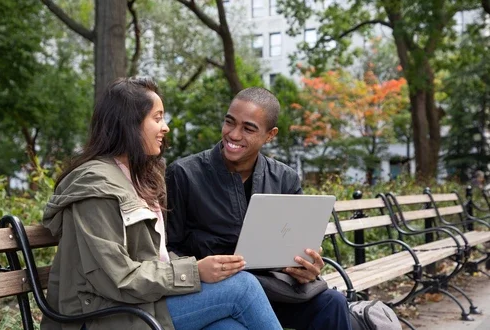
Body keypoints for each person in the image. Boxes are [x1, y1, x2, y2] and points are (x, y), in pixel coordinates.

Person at [41, 78, 283, 330]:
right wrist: (194, 271)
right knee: (242, 286)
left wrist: (199, 267)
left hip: (143, 303)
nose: (165, 127)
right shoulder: (96, 187)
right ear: (129, 124)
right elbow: (117, 279)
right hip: (103, 315)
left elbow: (155, 258)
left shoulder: (135, 176)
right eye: (157, 118)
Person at [166, 87, 352, 330]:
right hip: (216, 293)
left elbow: (296, 245)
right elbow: (167, 247)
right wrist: (197, 268)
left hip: (272, 290)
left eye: (248, 128)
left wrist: (308, 268)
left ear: (270, 135)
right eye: (229, 122)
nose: (233, 134)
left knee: (333, 303)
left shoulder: (285, 178)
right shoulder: (184, 174)